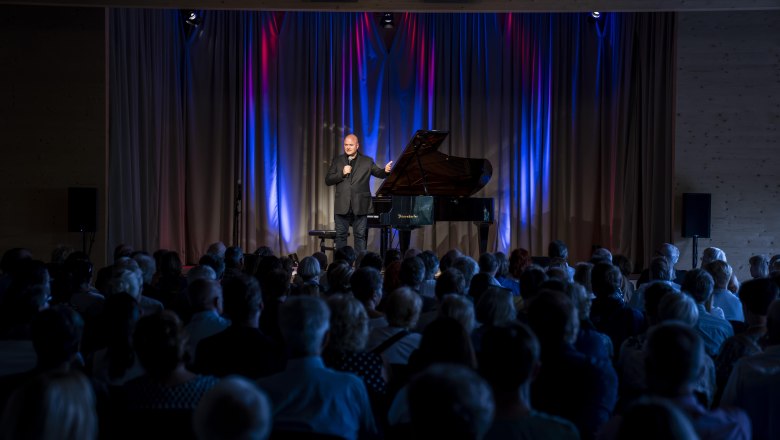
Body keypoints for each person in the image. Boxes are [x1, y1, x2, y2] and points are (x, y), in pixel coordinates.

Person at [325, 133, 393, 252]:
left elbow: (379, 173)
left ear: (357, 146)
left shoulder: (367, 161)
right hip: (342, 206)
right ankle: (341, 266)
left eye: (351, 145)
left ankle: (360, 266)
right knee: (340, 237)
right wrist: (342, 173)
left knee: (360, 237)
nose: (348, 147)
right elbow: (328, 180)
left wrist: (386, 171)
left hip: (360, 205)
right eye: (346, 145)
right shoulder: (338, 160)